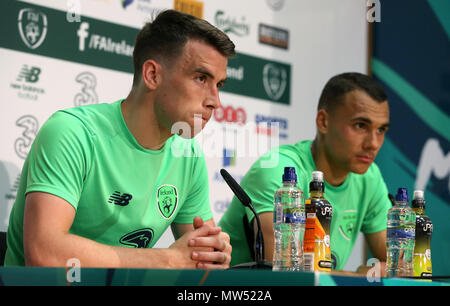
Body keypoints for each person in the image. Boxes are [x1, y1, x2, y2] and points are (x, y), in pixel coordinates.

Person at [5, 9, 236, 269]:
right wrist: (169, 260)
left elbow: (201, 257)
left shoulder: (188, 155)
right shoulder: (72, 133)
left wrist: (213, 253)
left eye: (219, 85)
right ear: (152, 75)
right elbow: (44, 253)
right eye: (201, 78)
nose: (215, 102)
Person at [219, 72, 391, 274]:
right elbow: (284, 271)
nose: (373, 143)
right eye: (360, 125)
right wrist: (357, 279)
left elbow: (401, 261)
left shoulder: (369, 178)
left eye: (381, 130)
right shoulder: (280, 172)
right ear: (323, 121)